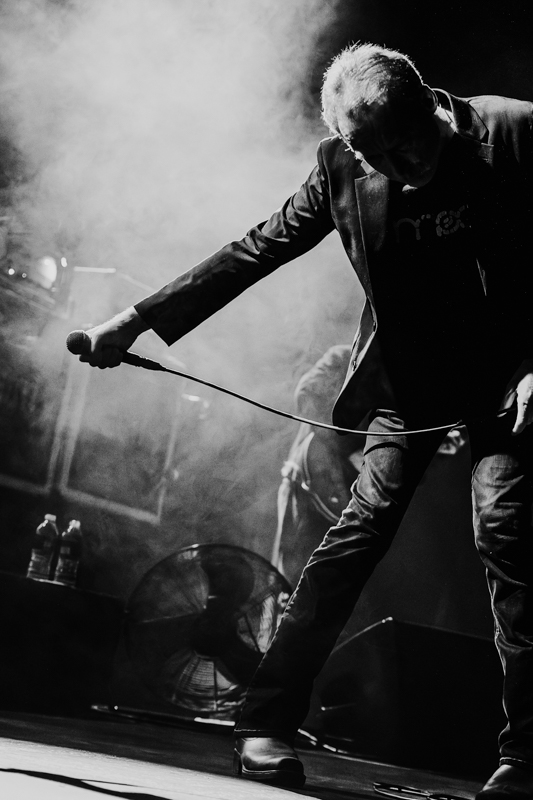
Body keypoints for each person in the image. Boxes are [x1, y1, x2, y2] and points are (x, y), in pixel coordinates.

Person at [77, 43, 533, 799]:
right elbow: (257, 248)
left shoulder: (513, 133)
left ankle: (525, 756)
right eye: (374, 155)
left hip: (509, 379)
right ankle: (264, 721)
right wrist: (134, 320)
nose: (398, 167)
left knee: (508, 539)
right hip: (411, 387)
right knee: (355, 539)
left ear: (429, 101)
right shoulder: (341, 169)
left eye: (406, 143)